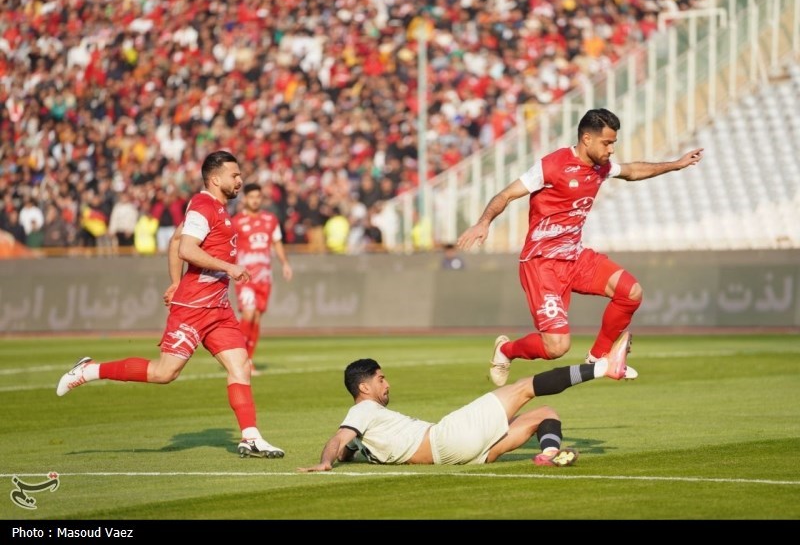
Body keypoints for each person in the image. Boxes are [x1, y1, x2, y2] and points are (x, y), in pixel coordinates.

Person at [56, 151, 285, 459]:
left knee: (240, 366)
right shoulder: (203, 206)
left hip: (218, 308)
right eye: (234, 175)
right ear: (215, 179)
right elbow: (186, 248)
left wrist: (175, 280)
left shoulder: (216, 207)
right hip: (193, 307)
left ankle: (251, 437)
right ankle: (89, 370)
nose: (240, 180)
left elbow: (176, 241)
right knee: (164, 373)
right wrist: (226, 267)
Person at [457, 108, 703, 386]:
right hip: (542, 263)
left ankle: (598, 356)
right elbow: (506, 194)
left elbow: (633, 171)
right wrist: (483, 223)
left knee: (631, 292)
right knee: (556, 347)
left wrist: (676, 164)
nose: (611, 150)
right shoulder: (553, 165)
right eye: (607, 143)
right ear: (587, 139)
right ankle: (506, 350)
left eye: (613, 143)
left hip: (575, 257)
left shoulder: (601, 167)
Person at [298, 331, 631, 472]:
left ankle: (548, 455)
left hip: (465, 456)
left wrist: (346, 453)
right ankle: (603, 367)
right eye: (381, 379)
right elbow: (337, 440)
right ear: (364, 386)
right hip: (447, 437)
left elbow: (345, 447)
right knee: (523, 388)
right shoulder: (363, 410)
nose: (387, 384)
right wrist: (326, 461)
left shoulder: (364, 428)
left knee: (545, 413)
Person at [232, 183, 293, 373]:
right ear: (245, 199)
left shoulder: (270, 219)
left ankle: (248, 359)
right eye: (251, 197)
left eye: (258, 197)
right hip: (245, 276)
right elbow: (229, 246)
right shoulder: (236, 222)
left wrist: (285, 264)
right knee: (248, 313)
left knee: (257, 317)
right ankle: (238, 358)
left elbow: (277, 243)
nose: (255, 200)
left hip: (265, 276)